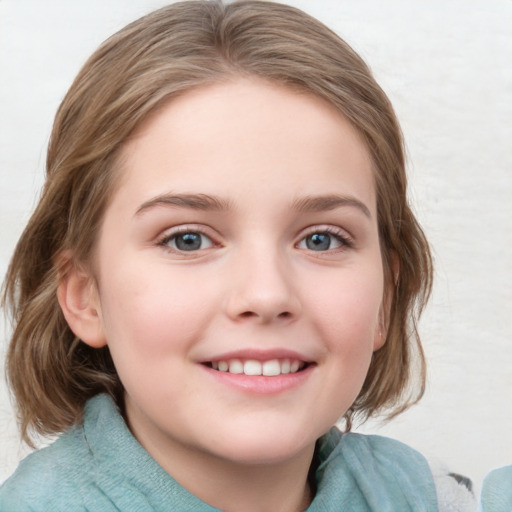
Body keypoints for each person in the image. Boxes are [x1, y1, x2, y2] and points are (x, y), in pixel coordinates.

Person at [0, 1, 475, 510]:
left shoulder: (436, 497)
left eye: (321, 238)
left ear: (385, 297)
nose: (266, 294)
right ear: (85, 296)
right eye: (188, 239)